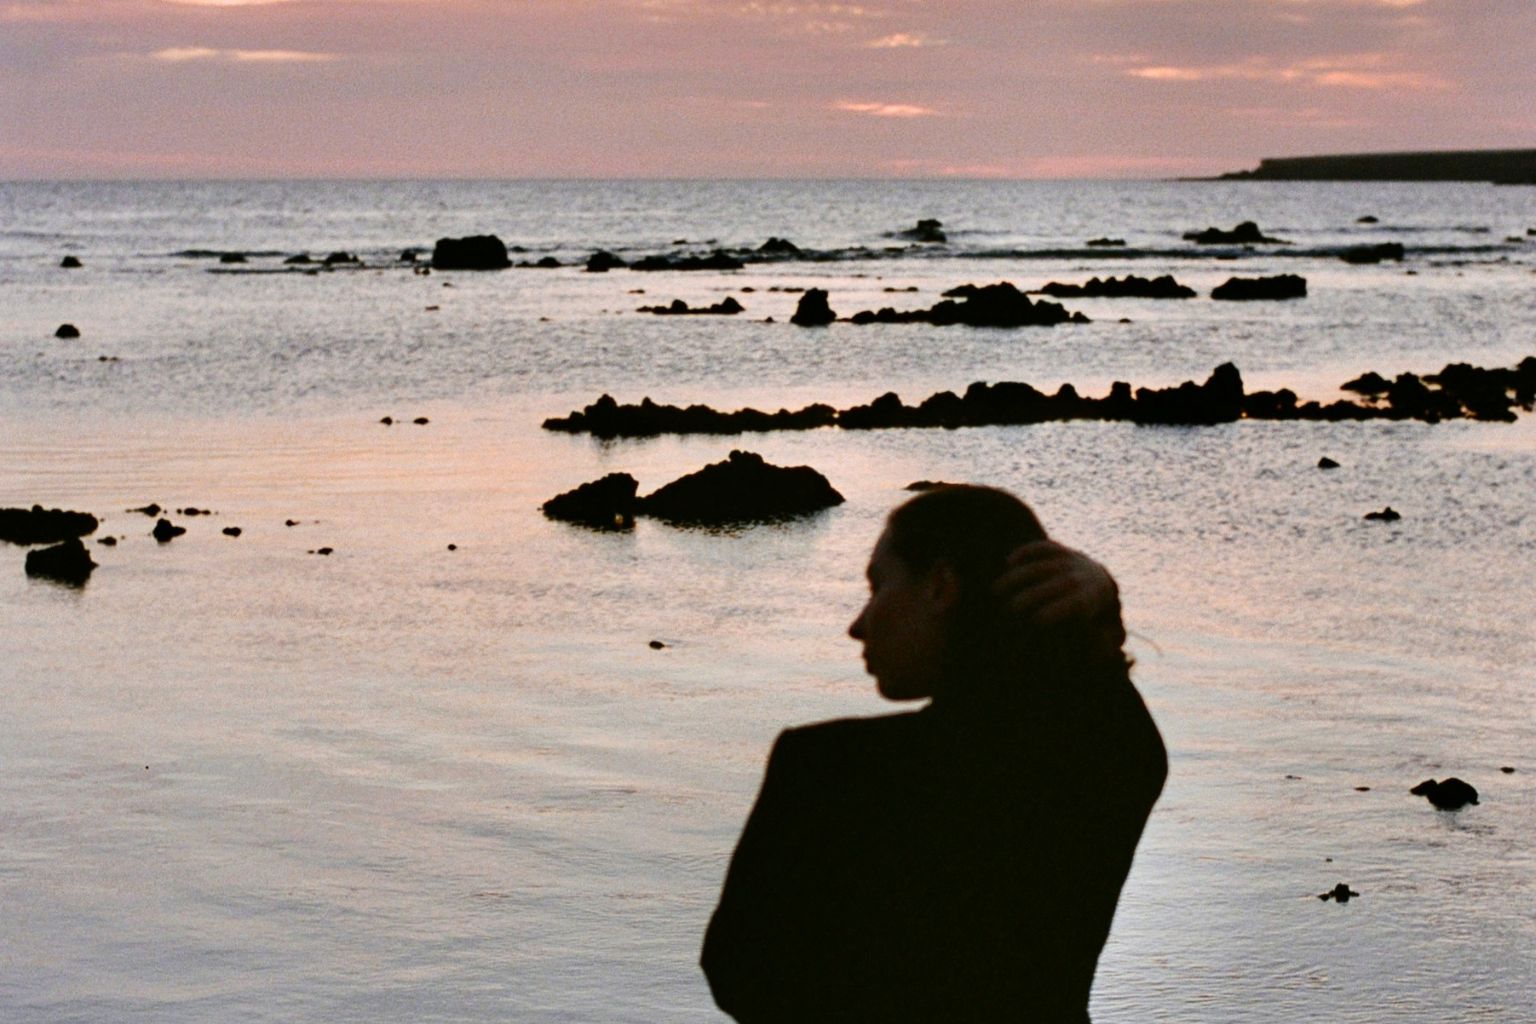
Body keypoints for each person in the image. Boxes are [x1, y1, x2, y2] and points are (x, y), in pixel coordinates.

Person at [701, 485, 1166, 1023]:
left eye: (877, 586)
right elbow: (1101, 697)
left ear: (941, 586)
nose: (859, 623)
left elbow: (737, 974)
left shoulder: (823, 766)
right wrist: (1101, 609)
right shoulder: (1108, 761)